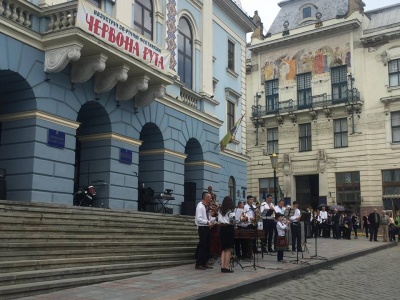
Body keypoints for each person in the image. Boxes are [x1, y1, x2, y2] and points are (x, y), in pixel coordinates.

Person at [194, 192, 214, 270]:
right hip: (202, 228)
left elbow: (208, 217)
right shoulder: (200, 207)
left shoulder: (206, 207)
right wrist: (207, 222)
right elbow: (199, 219)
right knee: (203, 246)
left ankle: (204, 262)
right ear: (205, 198)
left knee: (207, 246)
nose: (211, 199)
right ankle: (198, 263)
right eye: (210, 198)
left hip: (206, 227)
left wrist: (214, 220)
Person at [218, 196, 235, 273]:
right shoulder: (231, 211)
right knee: (228, 249)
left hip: (222, 229)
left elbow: (219, 220)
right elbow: (232, 221)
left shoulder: (220, 210)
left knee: (223, 248)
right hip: (229, 228)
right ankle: (227, 266)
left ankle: (222, 266)